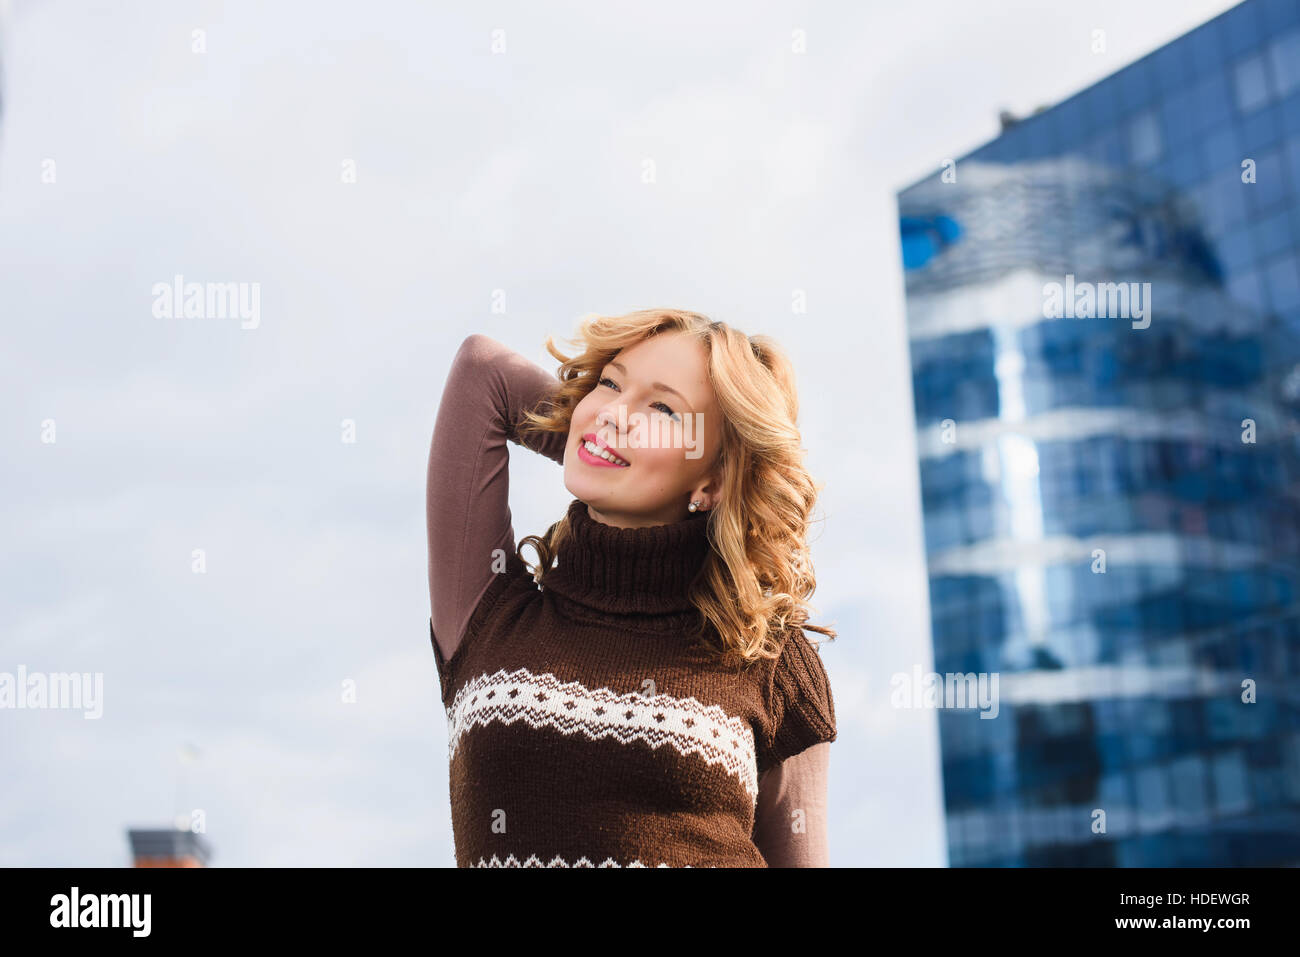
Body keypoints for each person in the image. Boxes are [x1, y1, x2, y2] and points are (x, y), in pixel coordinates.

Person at [426, 308, 838, 867]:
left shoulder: (768, 657)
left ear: (716, 479)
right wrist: (589, 439)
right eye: (610, 383)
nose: (614, 413)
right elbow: (482, 373)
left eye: (663, 408)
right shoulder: (488, 611)